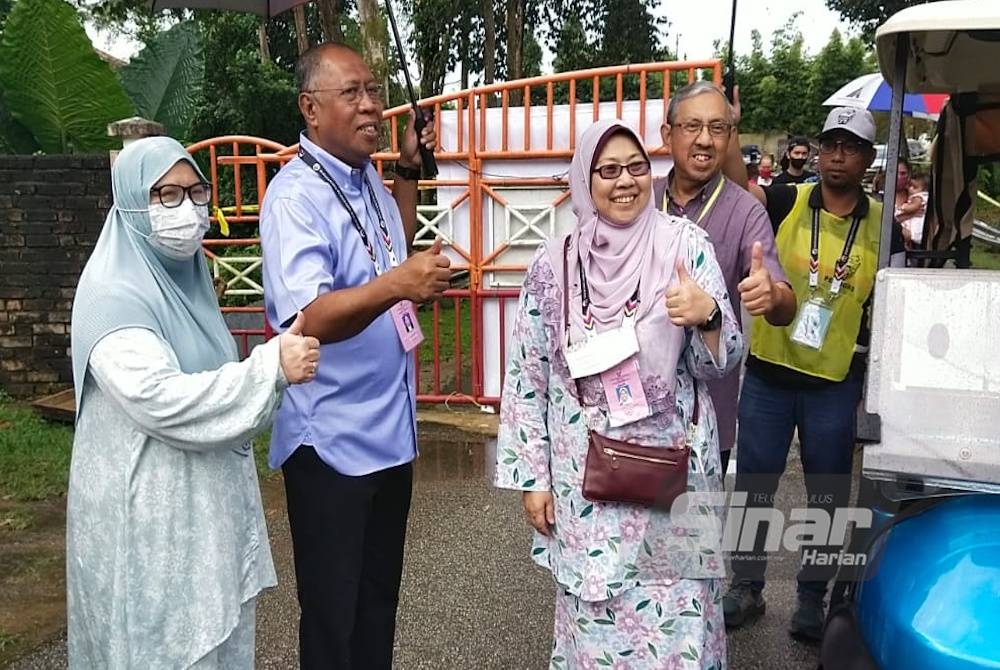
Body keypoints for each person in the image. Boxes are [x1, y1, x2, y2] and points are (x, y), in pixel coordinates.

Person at [495, 118, 744, 668]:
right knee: (597, 615)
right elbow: (529, 376)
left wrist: (707, 316)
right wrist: (534, 480)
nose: (625, 181)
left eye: (636, 167)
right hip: (587, 482)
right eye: (608, 170)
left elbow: (721, 362)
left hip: (674, 471)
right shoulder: (554, 265)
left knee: (679, 614)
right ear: (585, 181)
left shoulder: (685, 247)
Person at [67, 136, 321, 669]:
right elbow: (158, 399)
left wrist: (264, 374)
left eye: (196, 191)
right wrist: (269, 368)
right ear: (131, 202)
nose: (187, 208)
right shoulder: (112, 295)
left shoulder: (188, 281)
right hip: (150, 530)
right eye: (166, 194)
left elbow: (211, 374)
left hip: (203, 524)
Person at [258, 42, 445, 670]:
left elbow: (388, 244)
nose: (371, 106)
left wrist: (408, 173)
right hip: (331, 442)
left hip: (388, 433)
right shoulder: (295, 198)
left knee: (376, 606)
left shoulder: (366, 178)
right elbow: (306, 318)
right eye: (352, 93)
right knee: (333, 619)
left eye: (374, 90)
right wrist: (398, 284)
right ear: (310, 109)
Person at [721, 106, 905, 641]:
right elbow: (736, 186)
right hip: (769, 375)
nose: (837, 156)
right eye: (830, 145)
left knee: (827, 495)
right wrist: (730, 126)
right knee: (754, 487)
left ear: (868, 158)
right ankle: (747, 587)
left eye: (851, 147)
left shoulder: (884, 225)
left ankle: (811, 598)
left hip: (834, 383)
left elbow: (894, 305)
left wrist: (877, 385)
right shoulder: (787, 200)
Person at [654, 81, 797, 474]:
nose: (705, 139)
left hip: (707, 412)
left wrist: (773, 296)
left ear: (730, 137)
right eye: (692, 126)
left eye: (718, 128)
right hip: (638, 411)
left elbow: (785, 306)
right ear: (667, 134)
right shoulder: (642, 199)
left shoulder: (745, 211)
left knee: (698, 514)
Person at [897, 171, 929, 248]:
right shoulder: (924, 196)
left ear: (923, 189)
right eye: (910, 186)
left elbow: (914, 207)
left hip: (916, 229)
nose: (910, 189)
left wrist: (904, 207)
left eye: (914, 187)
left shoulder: (918, 196)